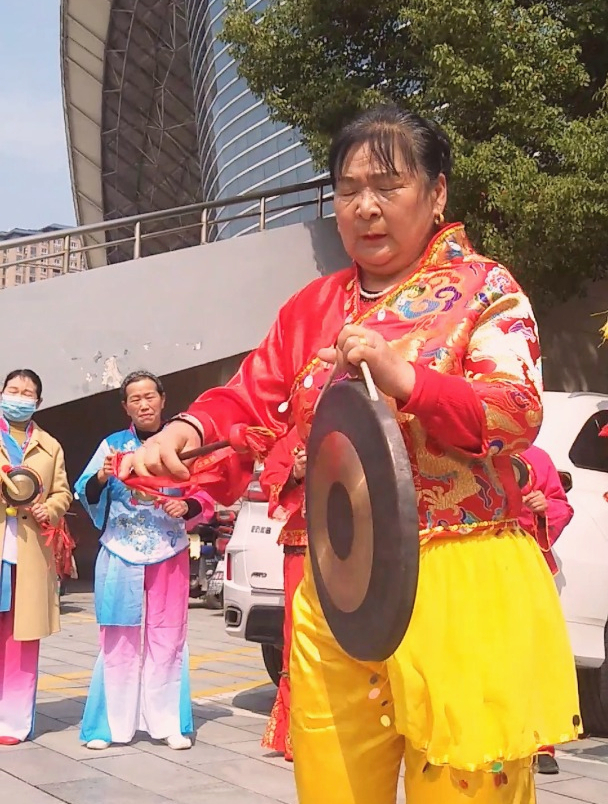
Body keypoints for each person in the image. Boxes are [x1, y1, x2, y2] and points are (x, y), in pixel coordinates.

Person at [119, 105, 581, 803]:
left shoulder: (483, 288)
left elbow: (516, 412)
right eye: (347, 188)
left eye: (388, 185)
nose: (365, 206)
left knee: (463, 789)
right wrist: (184, 433)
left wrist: (409, 379)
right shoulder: (312, 308)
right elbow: (250, 400)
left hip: (460, 578)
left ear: (437, 194)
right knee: (332, 785)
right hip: (336, 587)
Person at [75, 370, 214, 752]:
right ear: (126, 407)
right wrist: (102, 478)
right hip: (121, 552)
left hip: (169, 551)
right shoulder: (112, 446)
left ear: (163, 399)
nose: (144, 404)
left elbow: (206, 494)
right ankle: (110, 726)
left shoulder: (182, 443)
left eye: (149, 396)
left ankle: (167, 723)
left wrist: (185, 505)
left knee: (168, 638)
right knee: (118, 638)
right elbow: (83, 491)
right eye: (135, 399)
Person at [0, 369, 72, 744]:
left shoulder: (50, 445)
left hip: (28, 552)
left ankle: (12, 722)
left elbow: (63, 492)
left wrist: (53, 509)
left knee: (21, 638)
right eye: (13, 390)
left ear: (38, 402)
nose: (19, 397)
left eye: (27, 393)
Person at [517, 444, 574, 776]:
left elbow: (560, 506)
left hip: (527, 566)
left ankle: (541, 744)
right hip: (472, 567)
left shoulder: (535, 457)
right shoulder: (457, 450)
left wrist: (542, 507)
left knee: (532, 654)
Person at [259, 427, 307, 761]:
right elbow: (270, 482)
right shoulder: (292, 439)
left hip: (362, 544)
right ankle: (298, 732)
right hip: (304, 546)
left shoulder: (362, 416)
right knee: (301, 634)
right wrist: (297, 473)